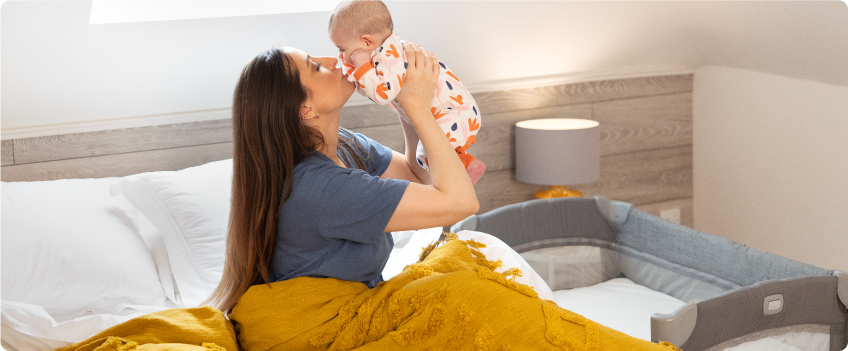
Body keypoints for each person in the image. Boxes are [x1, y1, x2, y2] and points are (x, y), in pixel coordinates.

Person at [205, 43, 681, 351]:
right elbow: (458, 203)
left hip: (355, 301)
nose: (332, 62)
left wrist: (406, 108)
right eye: (315, 67)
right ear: (305, 107)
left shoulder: (342, 145)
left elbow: (416, 174)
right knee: (463, 293)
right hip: (316, 330)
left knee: (468, 261)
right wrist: (417, 105)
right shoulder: (319, 189)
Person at [328, 0, 487, 185]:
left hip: (455, 112)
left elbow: (381, 95)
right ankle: (465, 165)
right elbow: (373, 91)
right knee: (428, 154)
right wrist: (358, 73)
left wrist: (362, 67)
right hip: (453, 112)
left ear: (367, 41)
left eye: (342, 49)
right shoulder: (385, 52)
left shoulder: (389, 57)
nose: (341, 57)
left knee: (426, 153)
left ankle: (463, 172)